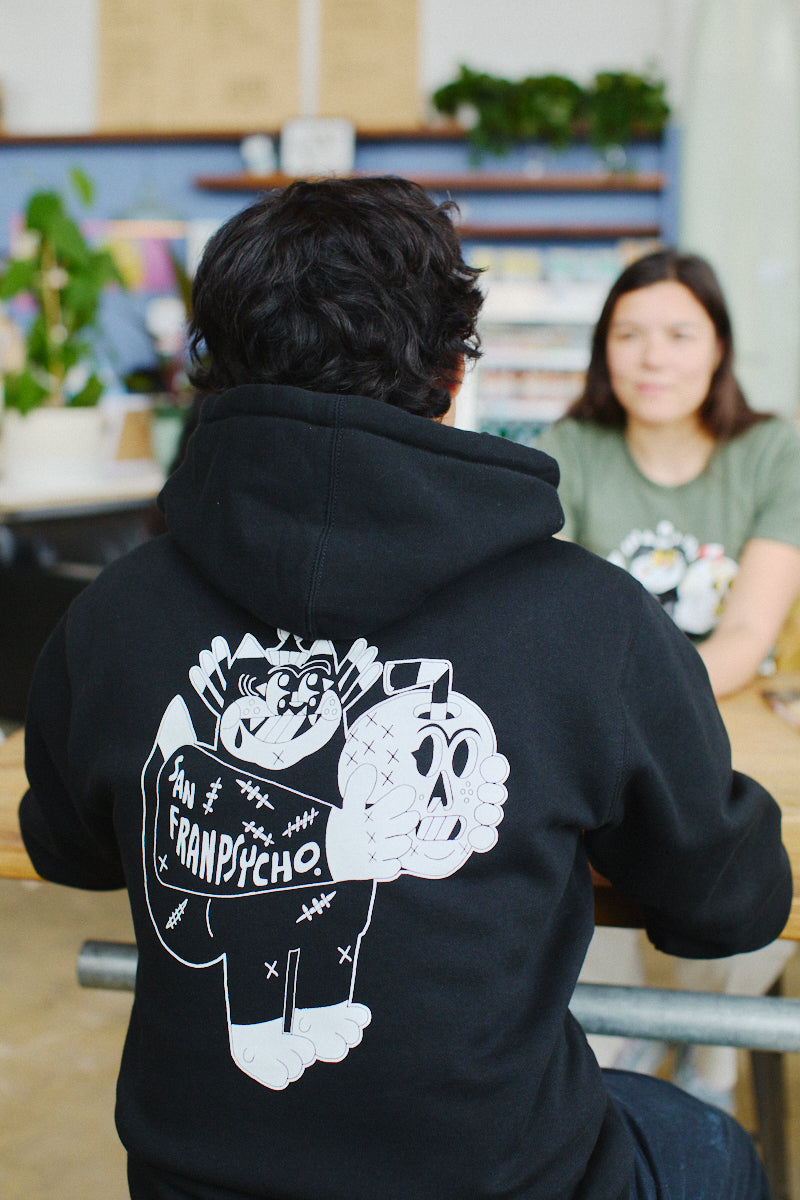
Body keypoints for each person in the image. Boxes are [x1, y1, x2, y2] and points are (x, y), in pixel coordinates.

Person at [18, 179, 790, 1200]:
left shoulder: (111, 617)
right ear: (447, 369)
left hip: (182, 1180)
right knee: (711, 1146)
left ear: (207, 368)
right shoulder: (592, 622)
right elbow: (729, 904)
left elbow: (69, 848)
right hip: (506, 1181)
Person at [537, 248, 800, 1109]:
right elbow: (549, 626)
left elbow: (750, 628)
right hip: (599, 736)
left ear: (719, 346)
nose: (654, 358)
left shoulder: (771, 452)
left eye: (680, 334)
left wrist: (649, 699)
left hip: (727, 720)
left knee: (749, 868)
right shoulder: (565, 450)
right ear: (603, 349)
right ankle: (634, 1056)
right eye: (630, 334)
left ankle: (701, 1066)